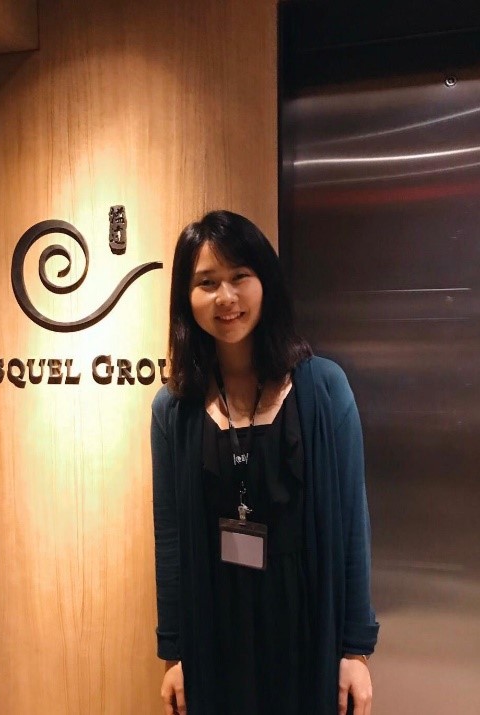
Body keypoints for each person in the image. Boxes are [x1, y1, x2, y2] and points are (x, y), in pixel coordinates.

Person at [151, 210, 379, 715]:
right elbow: (170, 537)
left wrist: (355, 649)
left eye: (240, 276)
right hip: (214, 626)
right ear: (186, 298)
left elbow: (351, 523)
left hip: (306, 622)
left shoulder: (324, 389)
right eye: (206, 282)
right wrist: (174, 653)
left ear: (265, 283)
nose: (225, 297)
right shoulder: (173, 409)